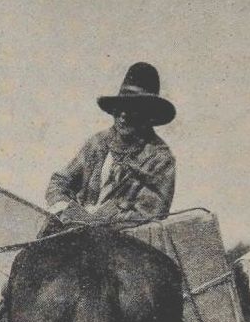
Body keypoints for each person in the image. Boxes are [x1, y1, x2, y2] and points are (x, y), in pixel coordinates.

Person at [46, 62, 176, 225]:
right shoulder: (98, 143)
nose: (123, 115)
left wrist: (97, 219)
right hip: (75, 233)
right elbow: (59, 181)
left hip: (119, 243)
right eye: (120, 107)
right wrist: (65, 208)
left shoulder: (160, 159)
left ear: (148, 115)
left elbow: (148, 215)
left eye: (133, 109)